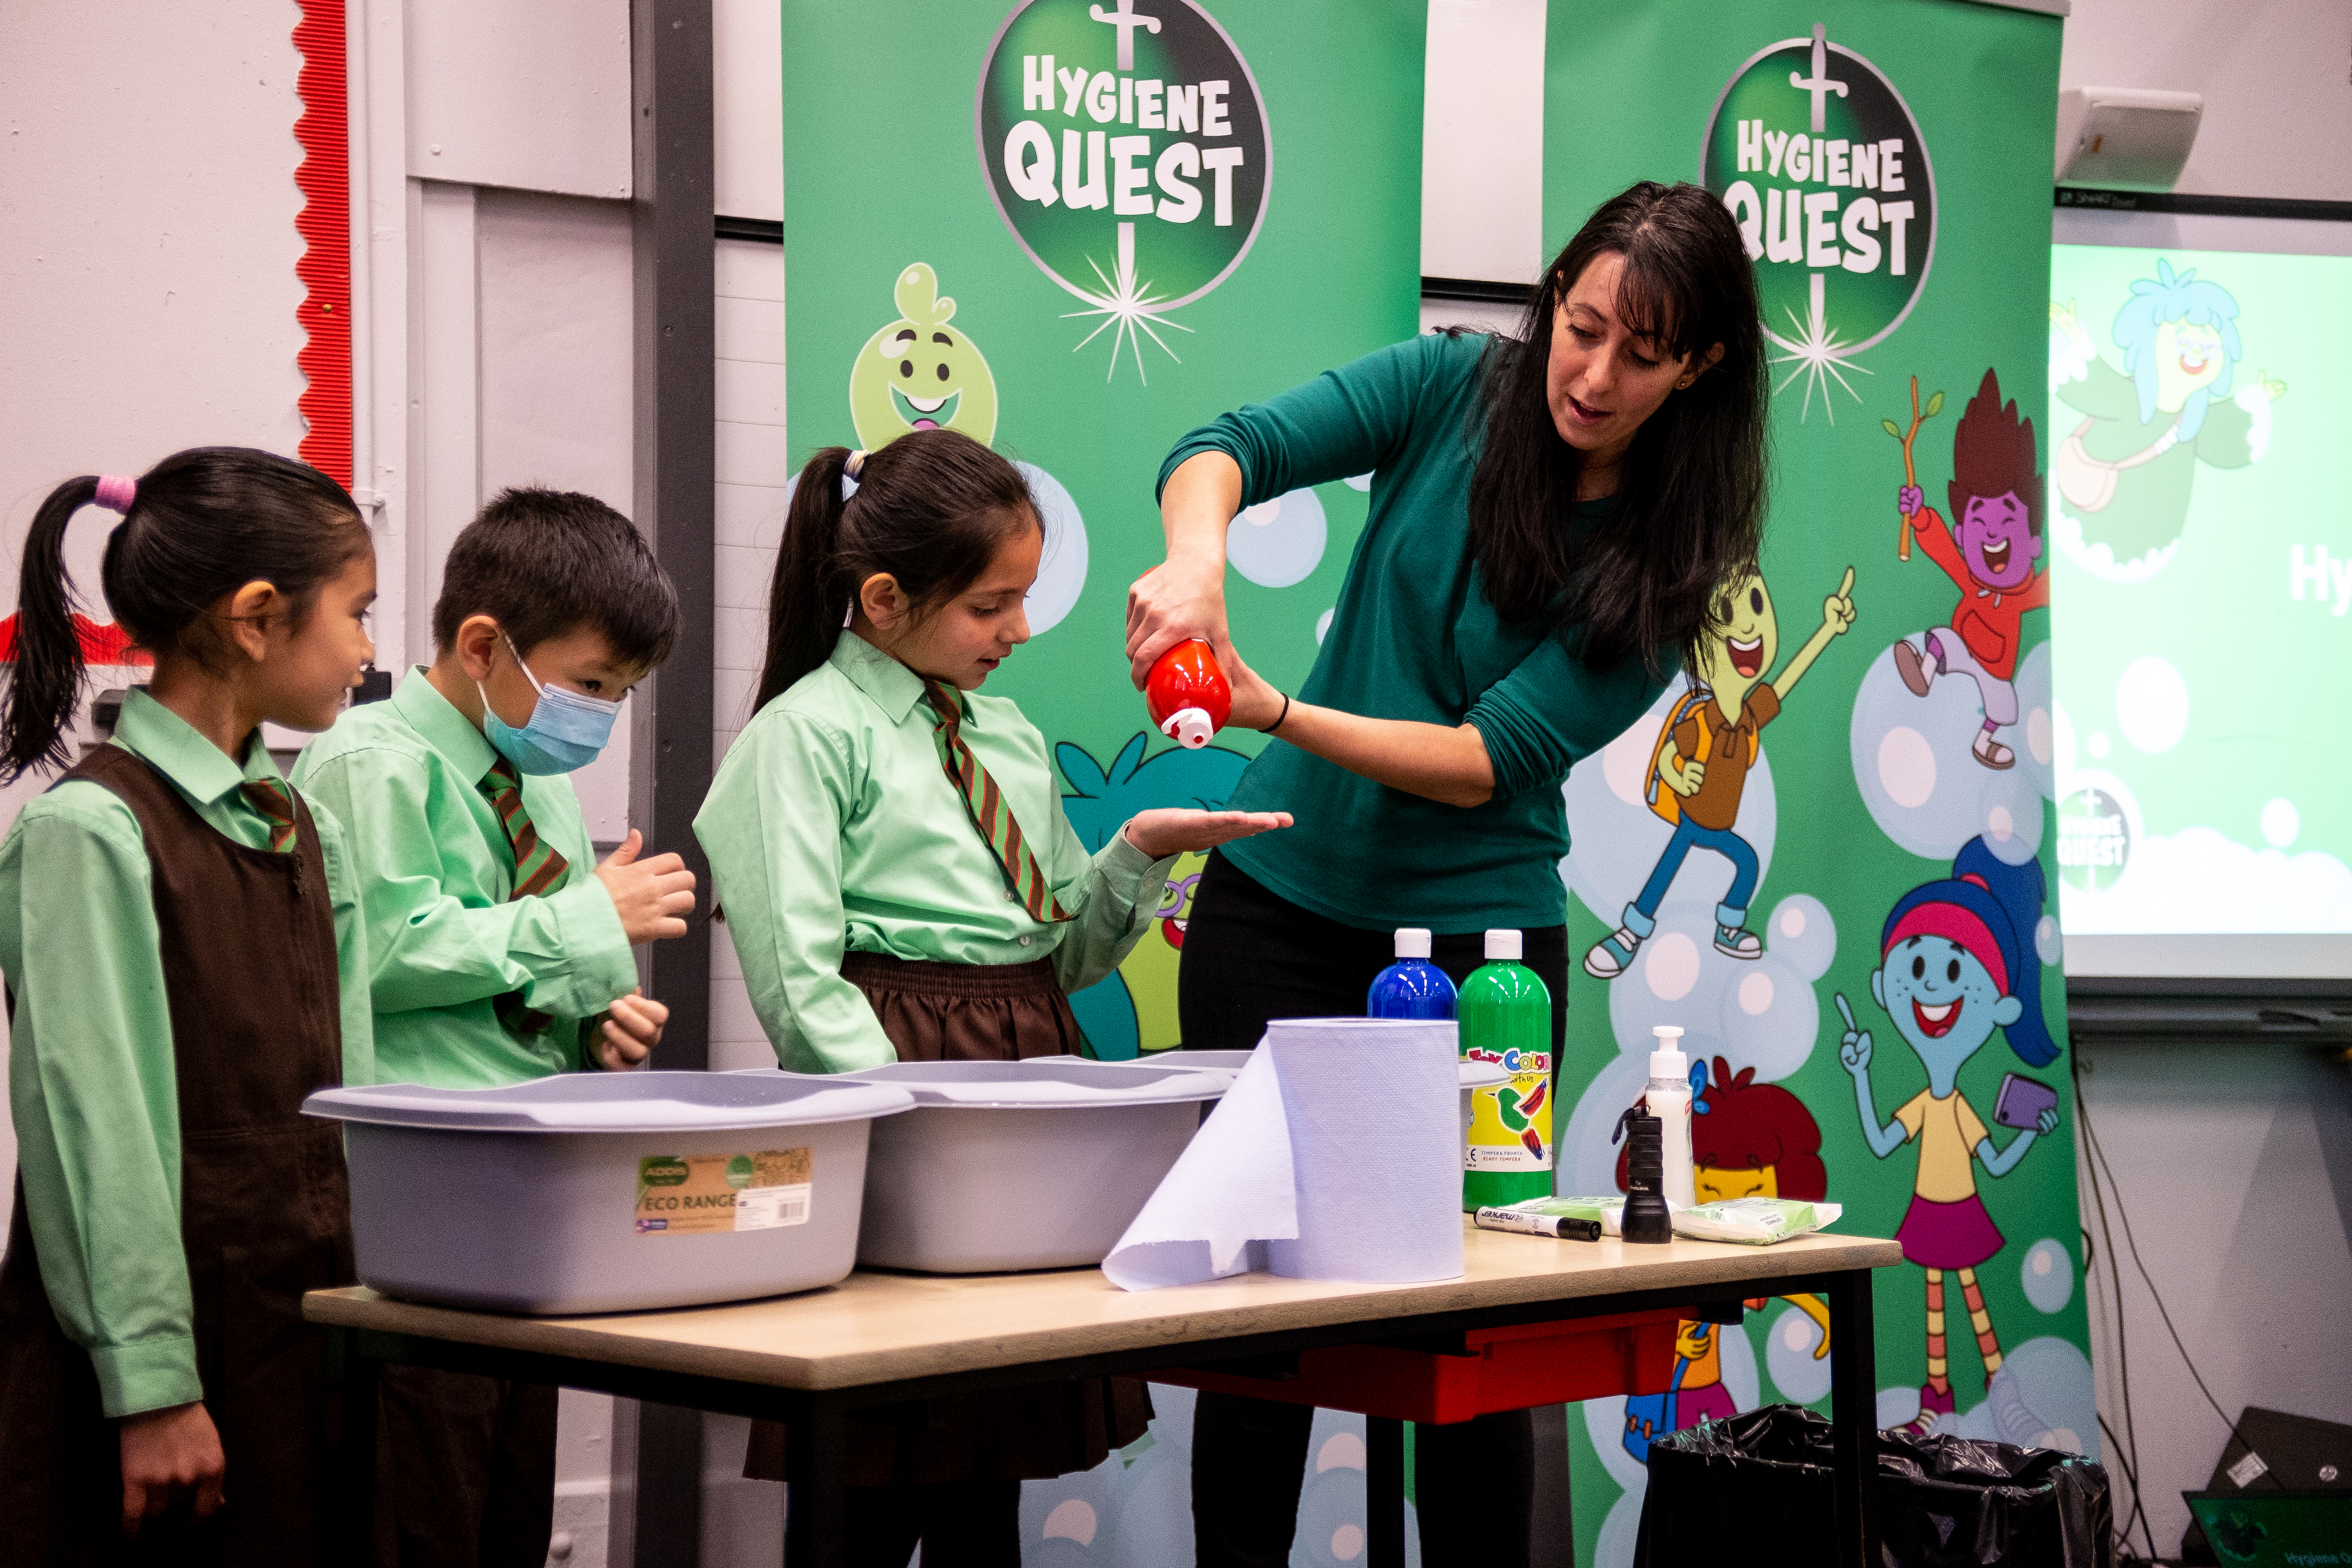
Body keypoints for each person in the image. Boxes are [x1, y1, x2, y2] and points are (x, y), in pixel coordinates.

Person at [1125, 180, 1769, 1567]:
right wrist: (1195, 566)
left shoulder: (1676, 563)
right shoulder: (1453, 389)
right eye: (1580, 327)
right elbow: (1225, 445)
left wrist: (1274, 714)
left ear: (1699, 366)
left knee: (1472, 1344)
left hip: (1485, 974)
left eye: (1640, 352)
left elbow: (1487, 758)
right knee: (1262, 1336)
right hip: (1274, 915)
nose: (1592, 375)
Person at [696, 428, 1288, 1566]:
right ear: (880, 597)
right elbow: (799, 981)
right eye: (990, 606)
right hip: (901, 1087)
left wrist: (1138, 852)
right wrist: (911, 1128)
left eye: (1022, 600)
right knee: (872, 1468)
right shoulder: (805, 738)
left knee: (986, 1470)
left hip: (1026, 1068)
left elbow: (1059, 953)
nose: (1019, 632)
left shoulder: (1006, 737)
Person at [291, 488, 696, 1566]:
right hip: (417, 1212)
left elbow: (514, 965)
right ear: (483, 645)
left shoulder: (539, 782)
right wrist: (581, 922)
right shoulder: (370, 762)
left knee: (508, 1503)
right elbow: (380, 954)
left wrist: (590, 1013)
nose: (603, 714)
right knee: (423, 1504)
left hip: (527, 1207)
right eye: (592, 684)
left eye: (623, 693)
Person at [0, 448, 380, 1562]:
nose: (367, 649)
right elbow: (94, 1140)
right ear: (258, 618)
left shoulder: (308, 825)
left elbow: (356, 1101)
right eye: (357, 613)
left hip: (303, 1329)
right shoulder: (89, 834)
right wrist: (151, 1387)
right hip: (163, 1376)